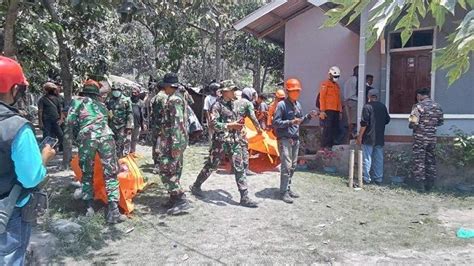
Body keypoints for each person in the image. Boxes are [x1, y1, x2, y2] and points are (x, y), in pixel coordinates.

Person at [0, 56, 56, 265]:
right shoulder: (16, 127)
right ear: (14, 90)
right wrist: (44, 157)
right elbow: (31, 177)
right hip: (8, 213)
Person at [64, 79, 126, 224]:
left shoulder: (77, 101)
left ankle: (89, 209)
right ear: (97, 93)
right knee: (111, 174)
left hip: (87, 138)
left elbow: (69, 122)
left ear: (84, 91)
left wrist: (68, 144)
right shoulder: (102, 106)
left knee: (87, 174)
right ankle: (113, 211)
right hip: (106, 137)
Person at [190, 81, 259, 208]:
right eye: (232, 90)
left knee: (240, 167)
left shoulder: (234, 104)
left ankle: (244, 197)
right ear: (225, 92)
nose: (234, 92)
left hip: (234, 141)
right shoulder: (216, 106)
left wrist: (238, 125)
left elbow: (236, 119)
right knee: (212, 165)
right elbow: (213, 124)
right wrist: (230, 125)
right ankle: (196, 186)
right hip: (220, 142)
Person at [273, 78, 317, 203]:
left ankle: (288, 187)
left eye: (298, 91)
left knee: (293, 166)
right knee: (286, 166)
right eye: (294, 91)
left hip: (294, 138)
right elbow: (275, 123)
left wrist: (308, 116)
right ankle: (283, 192)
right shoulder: (281, 105)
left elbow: (301, 121)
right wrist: (291, 122)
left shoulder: (298, 105)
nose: (296, 93)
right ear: (287, 91)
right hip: (284, 139)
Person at [158, 73, 191, 215]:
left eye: (165, 85)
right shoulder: (177, 98)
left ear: (168, 86)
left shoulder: (174, 100)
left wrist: (176, 145)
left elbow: (177, 124)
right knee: (174, 169)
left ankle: (181, 198)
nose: (164, 88)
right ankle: (173, 198)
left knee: (165, 168)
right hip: (175, 140)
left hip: (173, 141)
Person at [409, 88, 444, 191]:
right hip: (432, 138)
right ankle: (430, 185)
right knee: (430, 161)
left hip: (420, 138)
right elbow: (440, 122)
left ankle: (420, 186)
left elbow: (412, 123)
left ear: (419, 95)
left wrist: (418, 127)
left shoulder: (418, 106)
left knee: (419, 161)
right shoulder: (437, 106)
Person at [356, 89, 390, 185]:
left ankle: (366, 179)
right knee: (379, 158)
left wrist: (359, 136)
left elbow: (364, 124)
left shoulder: (367, 107)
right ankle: (378, 179)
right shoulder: (383, 107)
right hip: (379, 136)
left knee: (367, 158)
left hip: (368, 137)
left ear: (369, 96)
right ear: (377, 97)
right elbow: (387, 120)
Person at [235, 86, 263, 175]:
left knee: (234, 148)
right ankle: (246, 169)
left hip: (231, 127)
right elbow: (253, 118)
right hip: (240, 128)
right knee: (244, 147)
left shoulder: (235, 102)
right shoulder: (248, 103)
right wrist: (259, 129)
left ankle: (233, 167)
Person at [106, 85, 134, 158]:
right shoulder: (109, 100)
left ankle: (119, 158)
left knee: (120, 143)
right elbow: (105, 111)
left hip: (122, 126)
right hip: (111, 125)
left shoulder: (126, 100)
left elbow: (130, 113)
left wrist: (129, 127)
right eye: (114, 89)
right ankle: (112, 159)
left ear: (121, 90)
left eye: (117, 89)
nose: (115, 91)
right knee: (111, 144)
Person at [319, 66, 343, 149]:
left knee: (335, 128)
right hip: (328, 110)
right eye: (334, 76)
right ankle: (324, 146)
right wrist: (322, 111)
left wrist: (340, 111)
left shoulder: (337, 86)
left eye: (337, 77)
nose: (336, 78)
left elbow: (339, 99)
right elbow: (322, 97)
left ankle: (331, 145)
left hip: (336, 110)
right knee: (327, 129)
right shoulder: (325, 84)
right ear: (330, 75)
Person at [38, 82, 64, 150]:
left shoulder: (57, 99)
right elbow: (40, 111)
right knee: (47, 136)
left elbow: (61, 110)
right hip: (46, 121)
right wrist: (40, 122)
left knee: (60, 135)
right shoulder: (42, 99)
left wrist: (61, 119)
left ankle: (56, 149)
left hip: (56, 120)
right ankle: (46, 151)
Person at [150, 82, 167, 173]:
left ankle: (156, 164)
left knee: (155, 144)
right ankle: (159, 165)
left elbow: (151, 112)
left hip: (155, 125)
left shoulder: (154, 98)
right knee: (161, 144)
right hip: (162, 125)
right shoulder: (164, 97)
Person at [129, 87, 145, 155]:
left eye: (135, 93)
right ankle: (126, 153)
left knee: (134, 139)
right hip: (128, 124)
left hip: (137, 124)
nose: (133, 94)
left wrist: (143, 124)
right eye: (132, 92)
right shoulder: (128, 101)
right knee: (128, 139)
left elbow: (143, 114)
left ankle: (133, 152)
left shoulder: (141, 103)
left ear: (138, 93)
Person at [343, 66, 358, 138]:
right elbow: (358, 91)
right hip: (354, 101)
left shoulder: (348, 80)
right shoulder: (356, 80)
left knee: (349, 120)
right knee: (354, 121)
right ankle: (351, 136)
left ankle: (348, 136)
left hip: (347, 101)